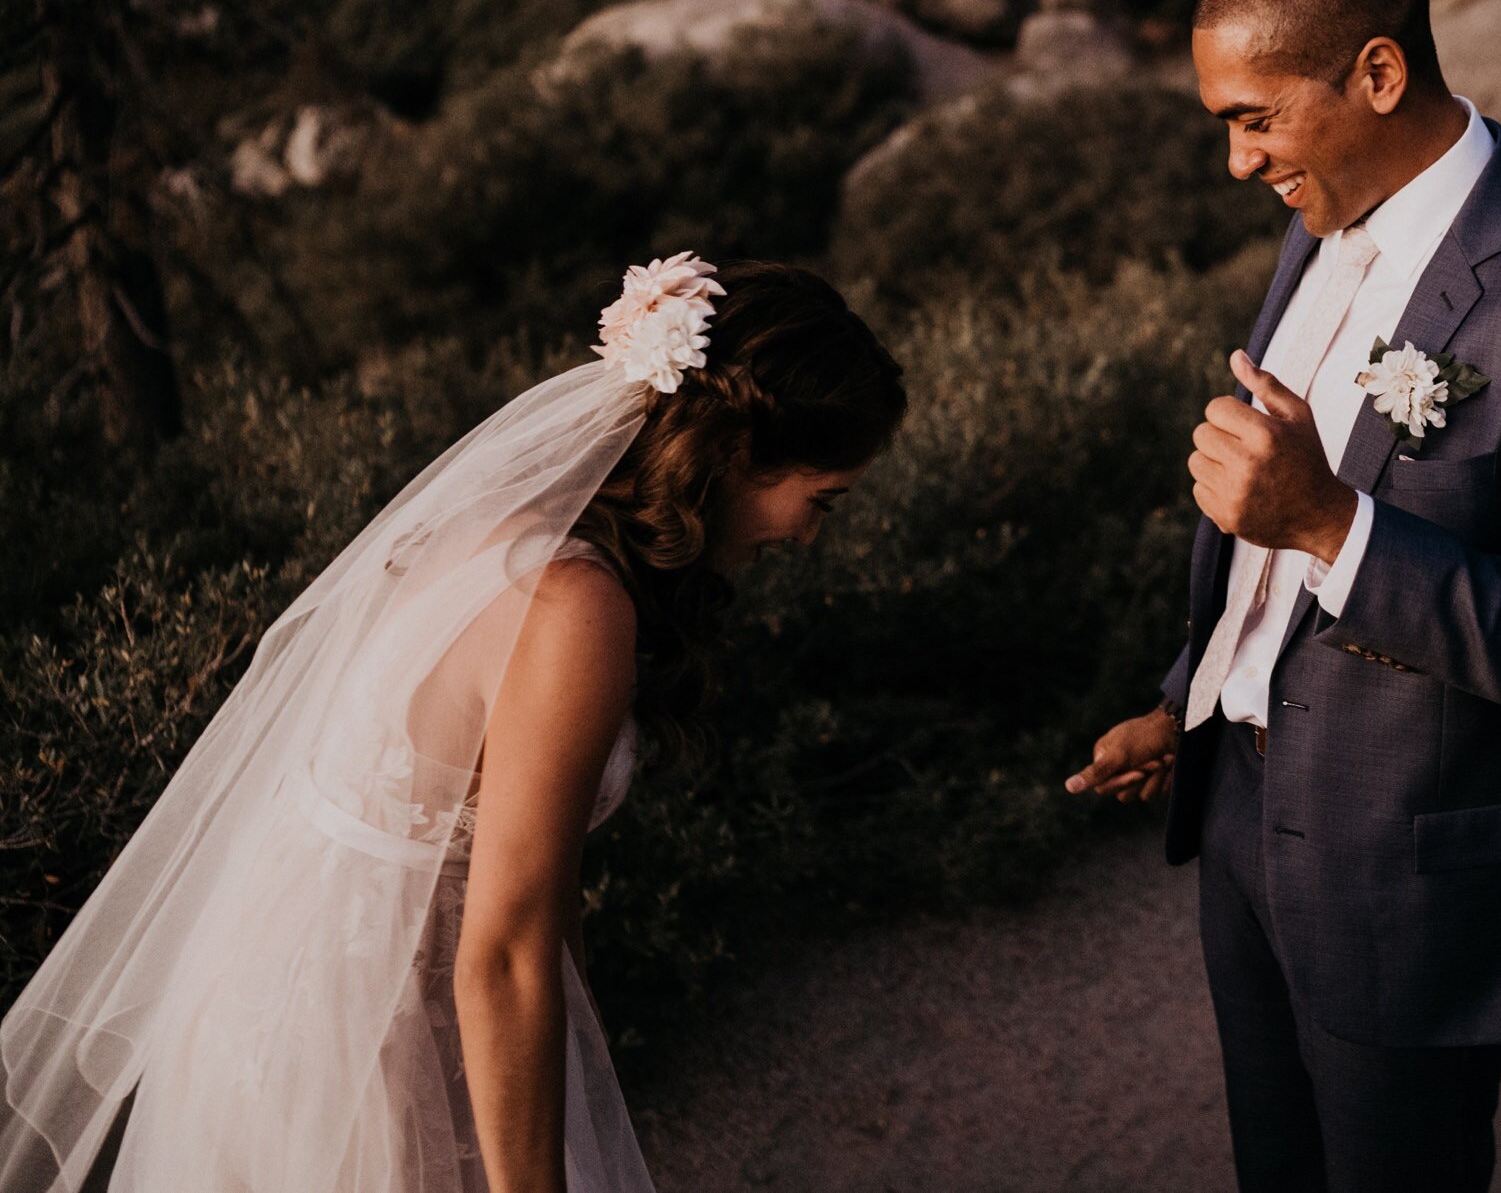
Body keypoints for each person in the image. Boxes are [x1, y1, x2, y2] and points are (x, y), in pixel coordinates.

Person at [0, 257, 906, 1193]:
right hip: (364, 1049)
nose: (808, 536)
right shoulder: (576, 608)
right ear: (736, 454)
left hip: (282, 997)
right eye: (821, 499)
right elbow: (506, 948)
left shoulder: (509, 526)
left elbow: (529, 908)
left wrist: (576, 1060)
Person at [1067, 0, 1501, 1191]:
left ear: (1377, 76)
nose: (1237, 162)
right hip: (1241, 820)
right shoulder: (1316, 220)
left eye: (1253, 118)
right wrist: (1192, 697)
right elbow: (1265, 571)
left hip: (1402, 871)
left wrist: (1328, 522)